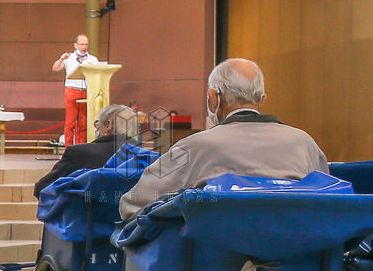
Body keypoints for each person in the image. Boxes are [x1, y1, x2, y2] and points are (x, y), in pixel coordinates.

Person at [119, 59, 328, 222]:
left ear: (213, 98)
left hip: (208, 262)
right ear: (262, 100)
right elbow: (328, 203)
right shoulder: (305, 144)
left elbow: (133, 204)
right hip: (293, 261)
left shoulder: (193, 147)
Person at [34, 104, 140, 201]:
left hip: (85, 214)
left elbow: (42, 189)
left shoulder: (80, 153)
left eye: (97, 124)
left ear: (108, 125)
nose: (97, 129)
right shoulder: (143, 157)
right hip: (131, 216)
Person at [52, 34, 101, 146]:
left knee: (83, 123)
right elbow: (55, 68)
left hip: (86, 91)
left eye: (86, 44)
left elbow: (97, 73)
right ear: (75, 45)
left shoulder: (92, 59)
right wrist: (61, 59)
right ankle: (68, 148)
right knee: (70, 123)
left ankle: (81, 147)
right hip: (72, 90)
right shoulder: (69, 57)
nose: (84, 47)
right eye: (81, 44)